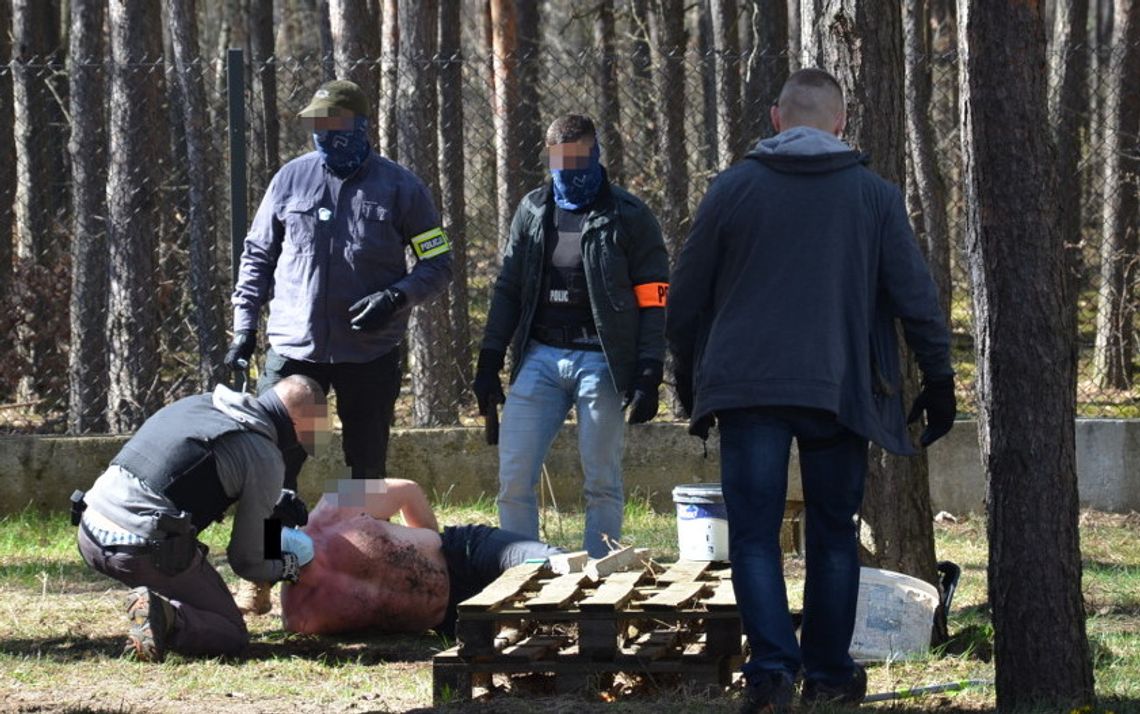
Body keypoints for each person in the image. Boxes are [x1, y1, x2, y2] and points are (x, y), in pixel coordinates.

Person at [666, 69, 956, 712]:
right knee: (831, 531)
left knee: (752, 536)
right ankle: (829, 674)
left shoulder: (733, 188)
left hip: (745, 388)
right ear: (841, 123)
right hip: (838, 388)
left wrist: (686, 374)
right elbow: (917, 297)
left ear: (775, 119)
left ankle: (770, 673)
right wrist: (939, 377)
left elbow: (684, 294)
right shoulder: (874, 196)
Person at [225, 79, 451, 614]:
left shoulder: (400, 188)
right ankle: (263, 576)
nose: (326, 141)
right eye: (318, 131)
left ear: (362, 127)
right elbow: (257, 257)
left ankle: (359, 575)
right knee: (276, 468)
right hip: (294, 352)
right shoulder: (290, 180)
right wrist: (241, 330)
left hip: (368, 354)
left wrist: (397, 296)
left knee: (365, 471)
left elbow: (437, 262)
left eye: (337, 130)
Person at [472, 114, 669, 558]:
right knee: (515, 476)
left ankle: (600, 579)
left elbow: (654, 297)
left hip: (601, 359)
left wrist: (649, 367)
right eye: (564, 163)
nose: (573, 174)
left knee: (602, 480)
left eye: (582, 161)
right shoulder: (533, 210)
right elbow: (508, 288)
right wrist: (489, 359)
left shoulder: (629, 215)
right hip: (540, 355)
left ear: (597, 154)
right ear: (550, 159)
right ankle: (523, 572)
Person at [73, 376, 329, 662]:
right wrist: (290, 567)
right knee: (231, 634)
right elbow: (246, 561)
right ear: (300, 421)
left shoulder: (201, 403)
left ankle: (157, 601)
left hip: (90, 528)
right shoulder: (264, 456)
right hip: (138, 550)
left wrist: (270, 501)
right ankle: (164, 614)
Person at [280, 478, 563, 637]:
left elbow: (407, 489)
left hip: (465, 553)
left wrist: (429, 544)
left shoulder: (337, 499)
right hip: (449, 620)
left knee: (558, 567)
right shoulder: (300, 616)